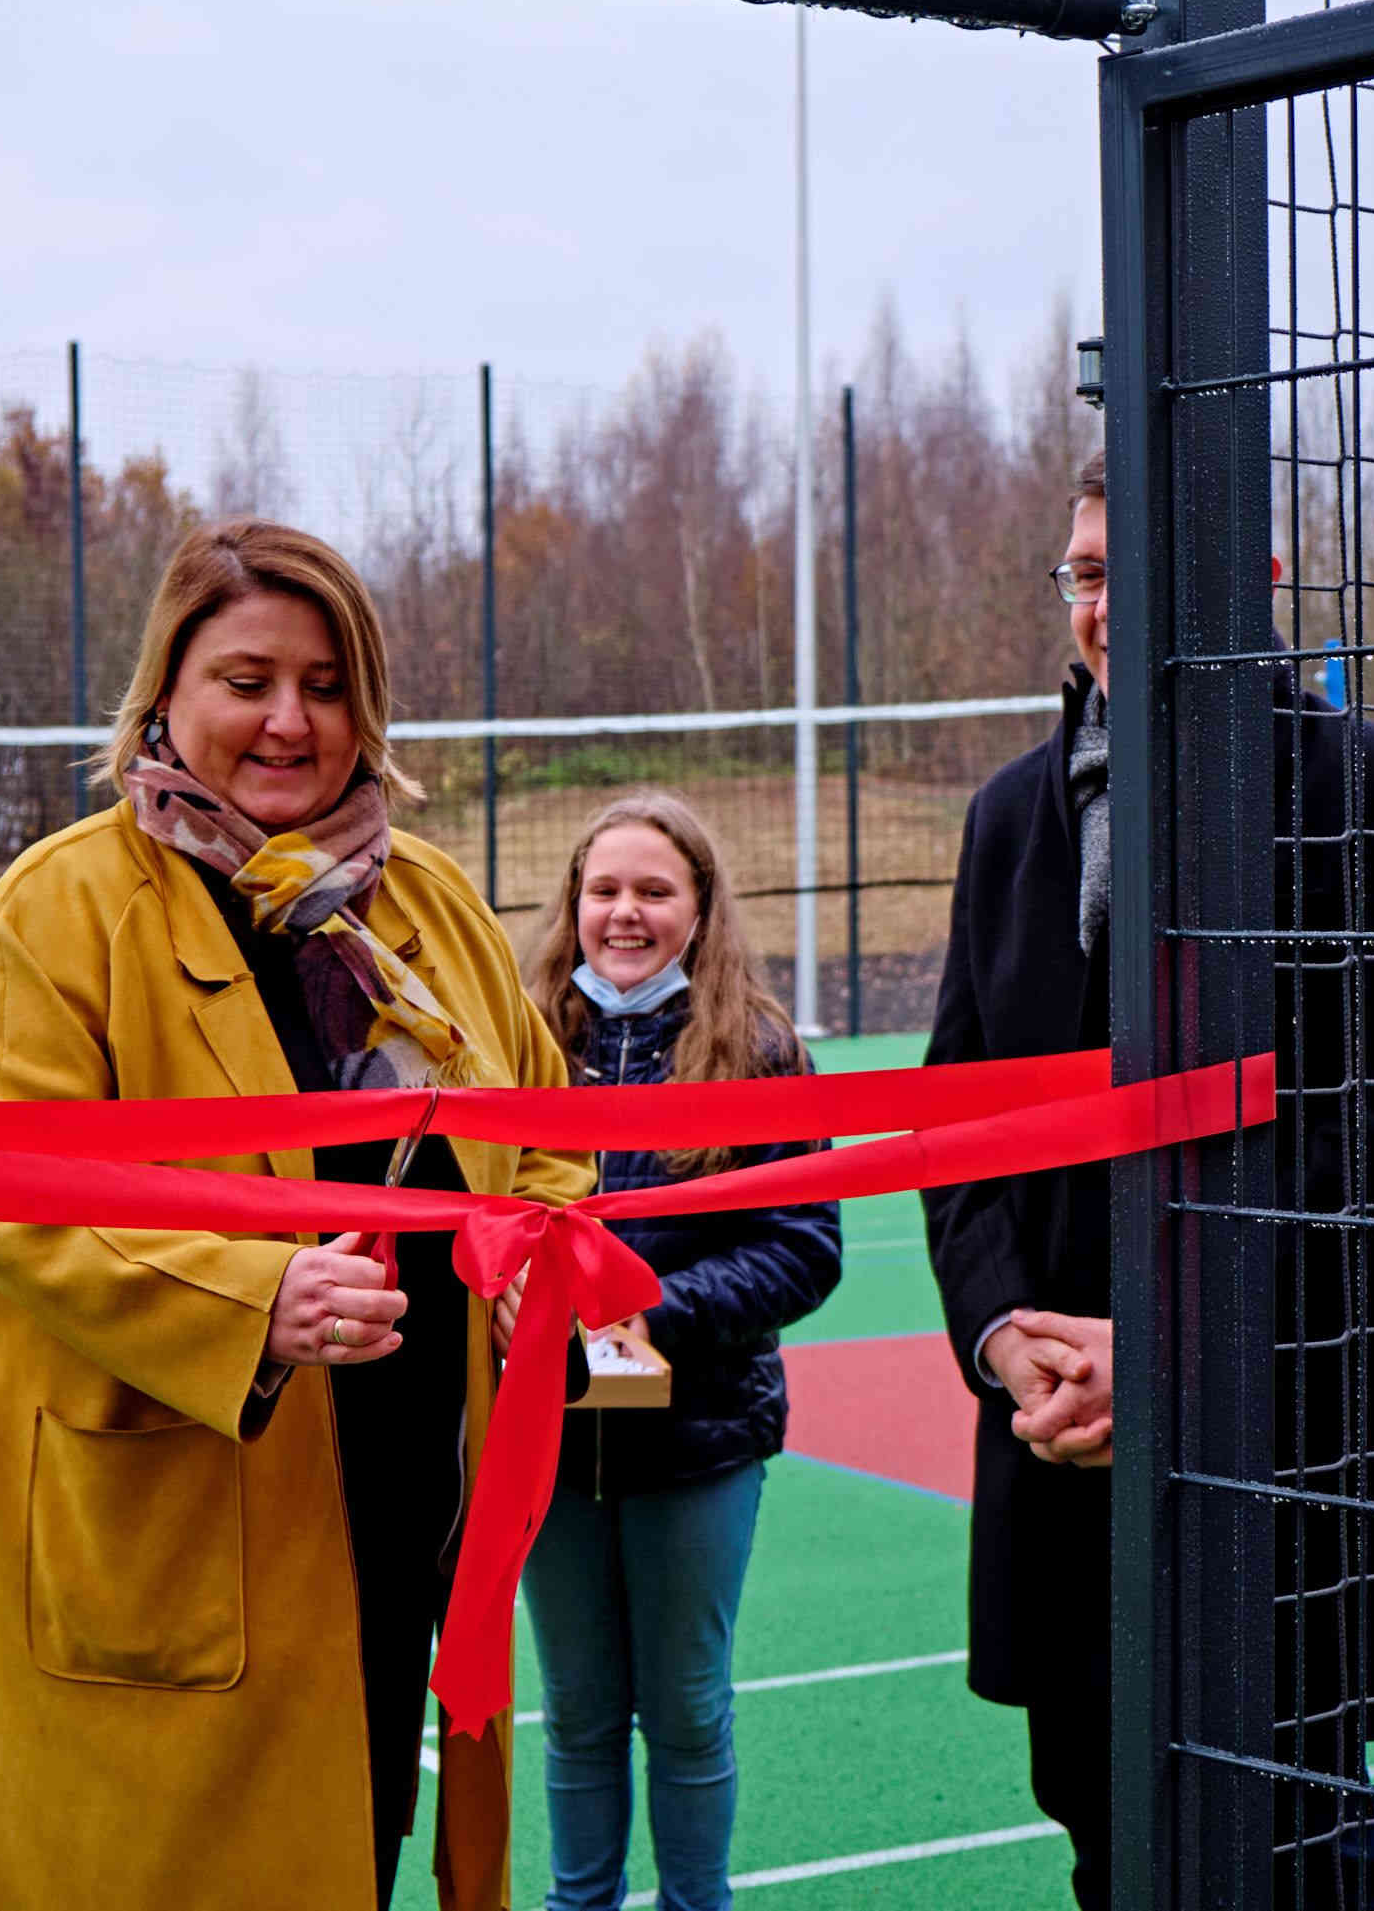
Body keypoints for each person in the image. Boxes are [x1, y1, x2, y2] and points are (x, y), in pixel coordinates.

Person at [0, 518, 594, 1911]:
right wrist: (252, 1302)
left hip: (396, 1528)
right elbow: (11, 1203)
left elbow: (545, 1133)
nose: (288, 719)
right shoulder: (59, 910)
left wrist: (541, 1253)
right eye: (247, 678)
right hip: (157, 1532)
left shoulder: (432, 903)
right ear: (165, 694)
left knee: (357, 1849)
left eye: (326, 685)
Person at [919, 449, 1374, 1909]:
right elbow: (955, 1126)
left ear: (1253, 584)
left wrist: (1163, 1343)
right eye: (1088, 572)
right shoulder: (1006, 818)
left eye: (1141, 569)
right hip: (1056, 1445)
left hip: (1271, 1429)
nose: (1107, 604)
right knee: (1107, 1837)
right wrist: (1011, 1337)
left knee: (1302, 1847)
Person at [501, 792, 843, 1911]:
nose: (625, 913)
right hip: (546, 1435)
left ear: (699, 909)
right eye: (605, 890)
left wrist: (660, 1311)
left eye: (654, 890)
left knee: (688, 1709)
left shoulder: (757, 1048)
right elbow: (476, 1208)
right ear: (574, 903)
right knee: (582, 1711)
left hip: (698, 1434)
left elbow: (803, 1244)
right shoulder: (524, 1036)